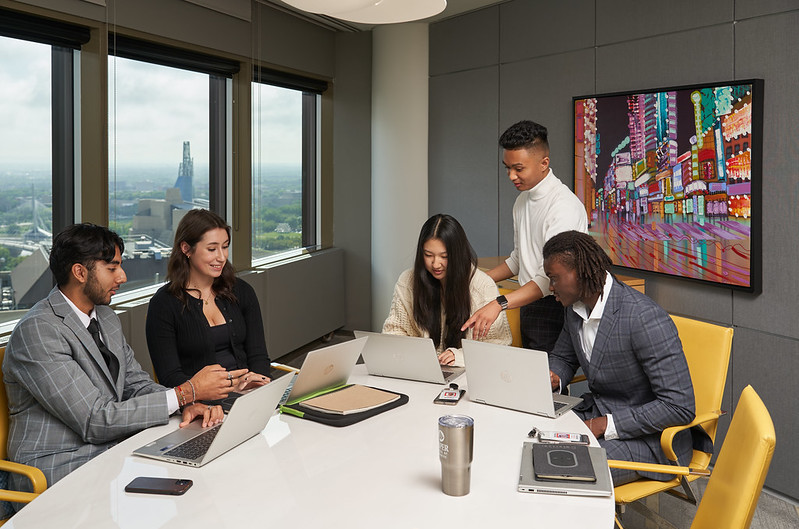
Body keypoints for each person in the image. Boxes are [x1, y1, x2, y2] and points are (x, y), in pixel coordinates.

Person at [2, 223, 226, 495]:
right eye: (112, 268)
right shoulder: (39, 330)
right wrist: (182, 394)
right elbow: (93, 421)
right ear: (80, 272)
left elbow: (136, 384)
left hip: (112, 448)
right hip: (58, 466)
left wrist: (185, 404)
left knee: (205, 462)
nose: (122, 276)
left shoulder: (105, 317)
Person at [542, 230, 710, 486]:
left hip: (651, 441)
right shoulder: (573, 308)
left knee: (561, 471)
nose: (550, 287)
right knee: (533, 441)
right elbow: (563, 358)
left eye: (554, 278)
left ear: (579, 273)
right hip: (598, 413)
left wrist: (602, 425)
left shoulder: (643, 318)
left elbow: (679, 406)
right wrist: (554, 376)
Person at [462, 120, 587, 352]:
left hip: (557, 304)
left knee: (547, 380)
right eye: (507, 168)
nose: (511, 176)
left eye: (518, 169)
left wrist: (499, 303)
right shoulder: (522, 201)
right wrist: (474, 281)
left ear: (543, 163)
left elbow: (550, 278)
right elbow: (519, 259)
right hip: (530, 302)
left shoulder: (563, 207)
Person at [146, 209, 271, 395]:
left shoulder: (242, 291)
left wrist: (256, 383)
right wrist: (224, 389)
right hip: (200, 403)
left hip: (249, 393)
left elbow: (258, 355)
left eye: (225, 246)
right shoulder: (163, 304)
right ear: (186, 249)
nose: (221, 257)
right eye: (212, 249)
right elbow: (169, 376)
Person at [383, 214, 512, 366]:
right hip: (419, 368)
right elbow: (393, 332)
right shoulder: (407, 281)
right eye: (428, 255)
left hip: (467, 374)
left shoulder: (483, 285)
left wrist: (460, 356)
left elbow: (500, 345)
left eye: (444, 256)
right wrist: (417, 354)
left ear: (458, 254)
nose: (436, 264)